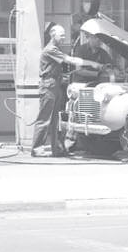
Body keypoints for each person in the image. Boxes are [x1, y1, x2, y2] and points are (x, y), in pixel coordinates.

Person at [31, 22, 97, 157]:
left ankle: (57, 148)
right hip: (49, 86)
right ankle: (37, 148)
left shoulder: (56, 49)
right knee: (44, 118)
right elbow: (70, 60)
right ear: (53, 35)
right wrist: (93, 64)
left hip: (55, 84)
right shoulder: (50, 49)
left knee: (55, 119)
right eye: (61, 35)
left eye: (64, 35)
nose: (63, 38)